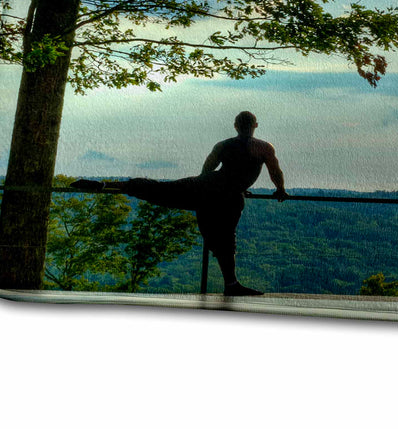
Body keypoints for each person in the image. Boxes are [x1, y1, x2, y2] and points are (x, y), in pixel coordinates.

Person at [71, 111, 288, 296]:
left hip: (204, 188)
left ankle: (107, 185)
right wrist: (280, 190)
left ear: (235, 126)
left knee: (160, 189)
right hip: (227, 197)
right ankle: (231, 284)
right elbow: (275, 172)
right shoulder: (263, 147)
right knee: (225, 239)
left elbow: (207, 169)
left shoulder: (223, 145)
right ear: (255, 126)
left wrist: (220, 185)